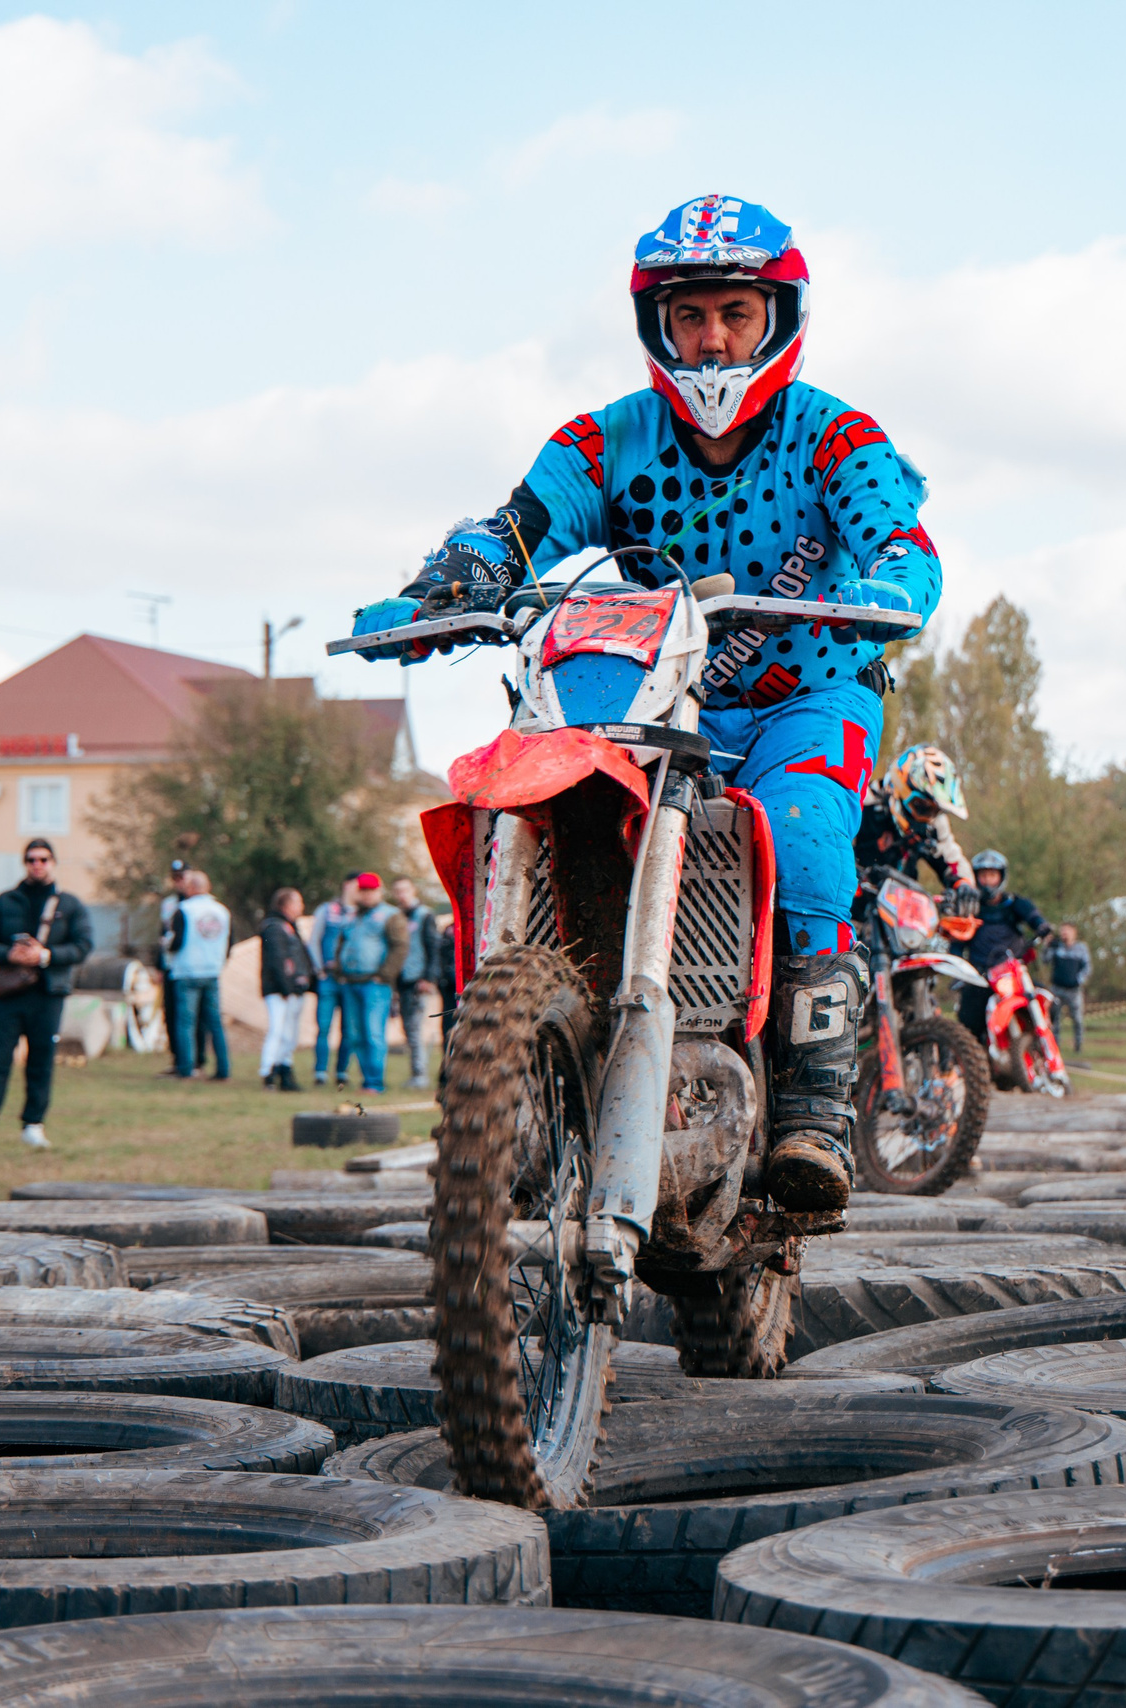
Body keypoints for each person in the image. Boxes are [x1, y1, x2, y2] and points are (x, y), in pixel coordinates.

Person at [349, 194, 945, 1211]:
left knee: (804, 833)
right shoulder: (606, 437)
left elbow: (900, 536)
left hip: (809, 694)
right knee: (536, 804)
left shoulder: (836, 433)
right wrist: (453, 582)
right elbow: (520, 524)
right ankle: (508, 1069)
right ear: (656, 325)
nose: (712, 339)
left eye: (734, 315)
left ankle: (813, 1109)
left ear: (776, 319)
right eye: (689, 316)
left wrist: (891, 583)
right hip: (655, 704)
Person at [0, 839, 94, 1152]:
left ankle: (33, 1124)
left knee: (41, 1060)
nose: (37, 865)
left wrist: (46, 955)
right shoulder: (5, 901)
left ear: (53, 863)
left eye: (43, 859)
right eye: (31, 859)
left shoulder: (69, 905)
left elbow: (83, 945)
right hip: (10, 993)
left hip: (49, 993)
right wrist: (9, 954)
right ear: (25, 863)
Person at [956, 850, 1049, 1045]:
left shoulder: (1015, 903)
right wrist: (958, 971)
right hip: (981, 976)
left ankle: (1043, 1045)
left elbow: (1034, 918)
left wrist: (1042, 927)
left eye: (992, 875)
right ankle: (977, 1056)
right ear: (976, 878)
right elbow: (957, 942)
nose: (988, 880)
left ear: (1001, 877)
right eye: (983, 875)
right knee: (968, 1018)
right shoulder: (970, 910)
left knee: (1047, 1000)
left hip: (1014, 973)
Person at [329, 874, 409, 1094]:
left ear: (379, 891)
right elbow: (342, 944)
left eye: (370, 890)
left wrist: (385, 975)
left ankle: (375, 1082)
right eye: (363, 890)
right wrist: (339, 971)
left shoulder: (391, 915)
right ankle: (366, 1080)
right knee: (355, 1034)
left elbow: (400, 947)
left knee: (373, 1033)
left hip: (375, 984)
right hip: (350, 982)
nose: (366, 895)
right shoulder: (351, 915)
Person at [856, 744, 973, 891]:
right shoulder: (862, 805)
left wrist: (965, 885)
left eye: (935, 811)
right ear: (899, 790)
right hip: (848, 896)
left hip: (902, 899)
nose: (928, 817)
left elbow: (953, 858)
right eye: (923, 807)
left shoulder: (934, 825)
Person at [162, 868, 233, 1080]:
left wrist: (165, 945)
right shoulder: (222, 911)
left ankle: (186, 1068)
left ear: (191, 888)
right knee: (215, 1023)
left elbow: (176, 942)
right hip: (212, 970)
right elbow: (229, 941)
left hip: (187, 971)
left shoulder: (184, 910)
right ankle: (223, 1069)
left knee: (186, 1022)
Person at [259, 886, 318, 1090]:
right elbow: (277, 960)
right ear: (286, 905)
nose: (301, 906)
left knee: (290, 1032)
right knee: (277, 1029)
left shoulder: (291, 927)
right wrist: (285, 987)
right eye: (298, 902)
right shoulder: (274, 927)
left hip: (294, 990)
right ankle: (268, 1070)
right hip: (280, 990)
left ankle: (285, 1066)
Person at [390, 876, 441, 1090]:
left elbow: (433, 947)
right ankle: (416, 1073)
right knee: (407, 1028)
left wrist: (428, 978)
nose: (401, 895)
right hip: (401, 979)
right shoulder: (395, 916)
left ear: (413, 890)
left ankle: (420, 1075)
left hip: (418, 980)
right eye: (397, 891)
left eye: (405, 890)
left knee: (414, 1028)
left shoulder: (424, 915)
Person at [309, 874, 359, 1087]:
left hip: (350, 980)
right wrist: (319, 969)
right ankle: (320, 1071)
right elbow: (314, 940)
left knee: (348, 1029)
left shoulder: (361, 913)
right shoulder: (327, 909)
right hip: (328, 978)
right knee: (323, 1026)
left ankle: (342, 1072)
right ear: (346, 885)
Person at [1045, 921, 1091, 1055]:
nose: (1064, 933)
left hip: (1074, 991)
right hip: (1057, 989)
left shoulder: (1081, 948)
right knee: (1055, 1019)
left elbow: (1087, 968)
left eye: (1067, 930)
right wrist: (1047, 946)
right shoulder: (1056, 947)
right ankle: (1055, 1046)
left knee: (1077, 1019)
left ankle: (1078, 1046)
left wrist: (1077, 980)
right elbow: (1045, 960)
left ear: (1074, 932)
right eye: (1062, 930)